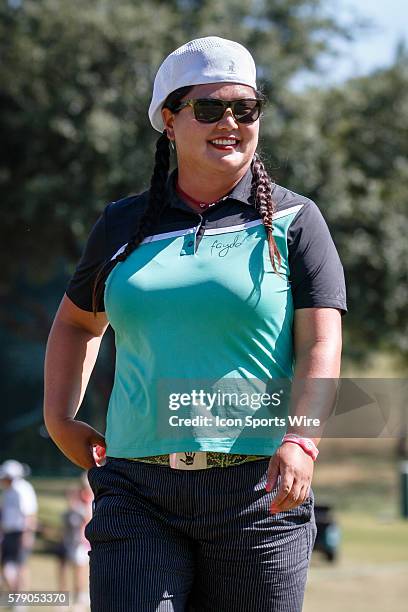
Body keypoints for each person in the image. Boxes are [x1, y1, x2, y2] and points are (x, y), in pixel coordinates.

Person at [44, 36, 347, 611]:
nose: (229, 121)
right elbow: (76, 325)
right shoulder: (122, 224)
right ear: (168, 119)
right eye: (209, 108)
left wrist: (302, 439)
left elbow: (321, 342)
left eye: (245, 108)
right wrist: (59, 417)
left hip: (259, 493)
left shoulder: (296, 221)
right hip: (137, 490)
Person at [0, 460, 38, 591]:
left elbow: (29, 514)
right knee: (7, 565)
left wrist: (27, 534)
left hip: (21, 532)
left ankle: (21, 596)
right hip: (9, 532)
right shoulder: (7, 491)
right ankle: (13, 593)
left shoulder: (22, 489)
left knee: (21, 565)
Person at [56, 474, 92, 607]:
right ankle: (65, 600)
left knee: (79, 571)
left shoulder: (91, 500)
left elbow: (88, 519)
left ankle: (80, 598)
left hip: (82, 543)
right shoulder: (79, 498)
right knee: (64, 569)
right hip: (70, 541)